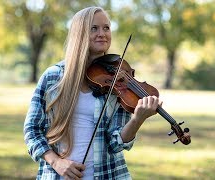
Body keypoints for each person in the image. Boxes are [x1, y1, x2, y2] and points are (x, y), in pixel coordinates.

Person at [24, 6, 160, 180]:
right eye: (93, 28)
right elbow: (32, 130)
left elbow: (115, 143)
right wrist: (56, 162)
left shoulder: (117, 81)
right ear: (79, 34)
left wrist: (137, 120)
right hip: (57, 175)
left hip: (109, 174)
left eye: (106, 28)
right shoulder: (53, 77)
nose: (102, 33)